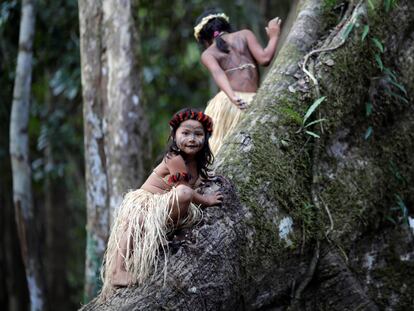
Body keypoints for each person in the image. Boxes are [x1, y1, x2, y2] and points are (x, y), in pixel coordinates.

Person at [99, 108, 223, 300]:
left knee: (180, 197)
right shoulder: (174, 158)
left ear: (206, 138)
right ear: (174, 135)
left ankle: (162, 233)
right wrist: (207, 200)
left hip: (166, 208)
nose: (192, 139)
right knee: (142, 217)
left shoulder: (196, 162)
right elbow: (184, 190)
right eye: (186, 133)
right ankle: (117, 270)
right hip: (147, 204)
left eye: (198, 134)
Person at [194, 9, 282, 154]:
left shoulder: (208, 53)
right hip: (241, 101)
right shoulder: (245, 34)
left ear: (204, 39)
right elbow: (265, 58)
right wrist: (274, 35)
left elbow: (218, 74)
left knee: (223, 147)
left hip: (232, 101)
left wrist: (233, 97)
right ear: (226, 26)